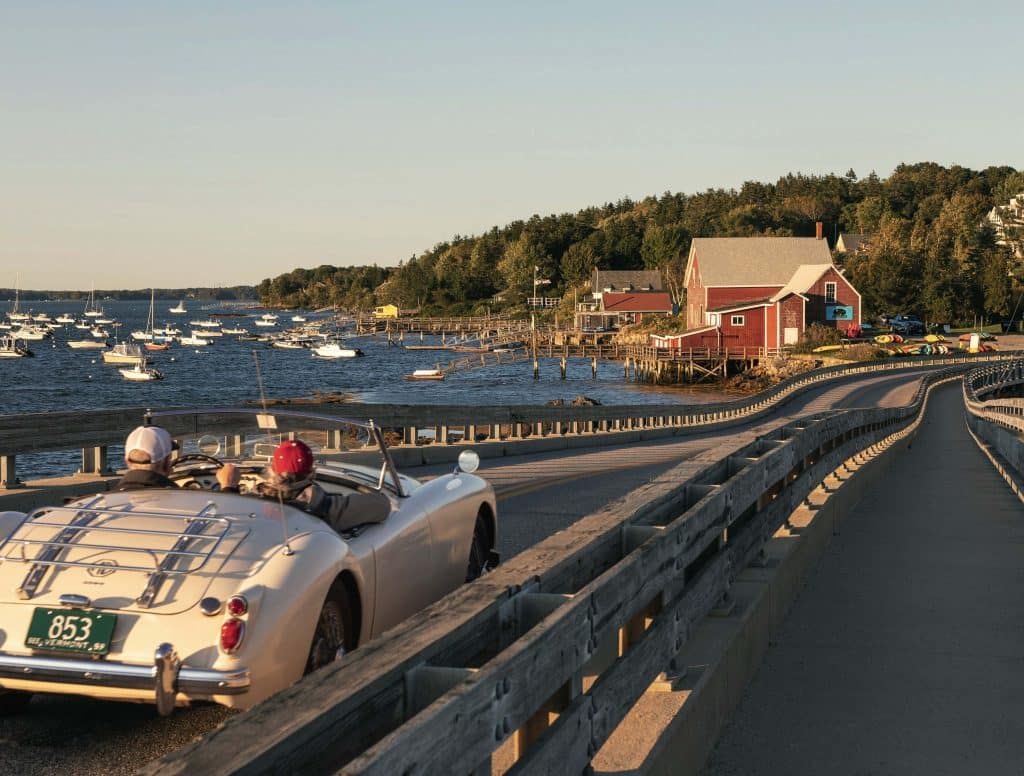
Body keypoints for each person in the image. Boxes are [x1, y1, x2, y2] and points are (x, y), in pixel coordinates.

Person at [247, 439, 390, 532]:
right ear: (312, 473)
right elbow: (383, 505)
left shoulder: (251, 502)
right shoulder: (326, 507)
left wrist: (229, 487)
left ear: (272, 470)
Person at [115, 425, 238, 492]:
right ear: (167, 462)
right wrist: (229, 486)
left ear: (127, 460)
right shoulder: (179, 501)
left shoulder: (104, 502)